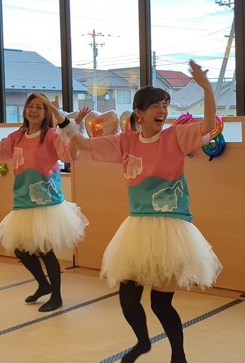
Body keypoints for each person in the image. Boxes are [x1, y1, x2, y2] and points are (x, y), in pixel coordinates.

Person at [68, 60, 222, 363]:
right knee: (128, 298)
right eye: (156, 106)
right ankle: (142, 343)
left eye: (165, 105)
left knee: (161, 304)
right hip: (137, 228)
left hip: (171, 228)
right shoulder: (125, 142)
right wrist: (64, 124)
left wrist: (205, 87)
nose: (163, 111)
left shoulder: (175, 137)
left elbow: (207, 126)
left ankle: (179, 356)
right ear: (139, 113)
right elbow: (84, 145)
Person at [0, 93, 88, 312]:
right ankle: (43, 284)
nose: (33, 110)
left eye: (39, 107)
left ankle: (56, 296)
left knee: (45, 250)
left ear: (46, 112)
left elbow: (69, 155)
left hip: (46, 203)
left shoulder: (50, 135)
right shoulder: (16, 137)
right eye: (30, 106)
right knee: (21, 250)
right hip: (23, 202)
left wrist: (75, 130)